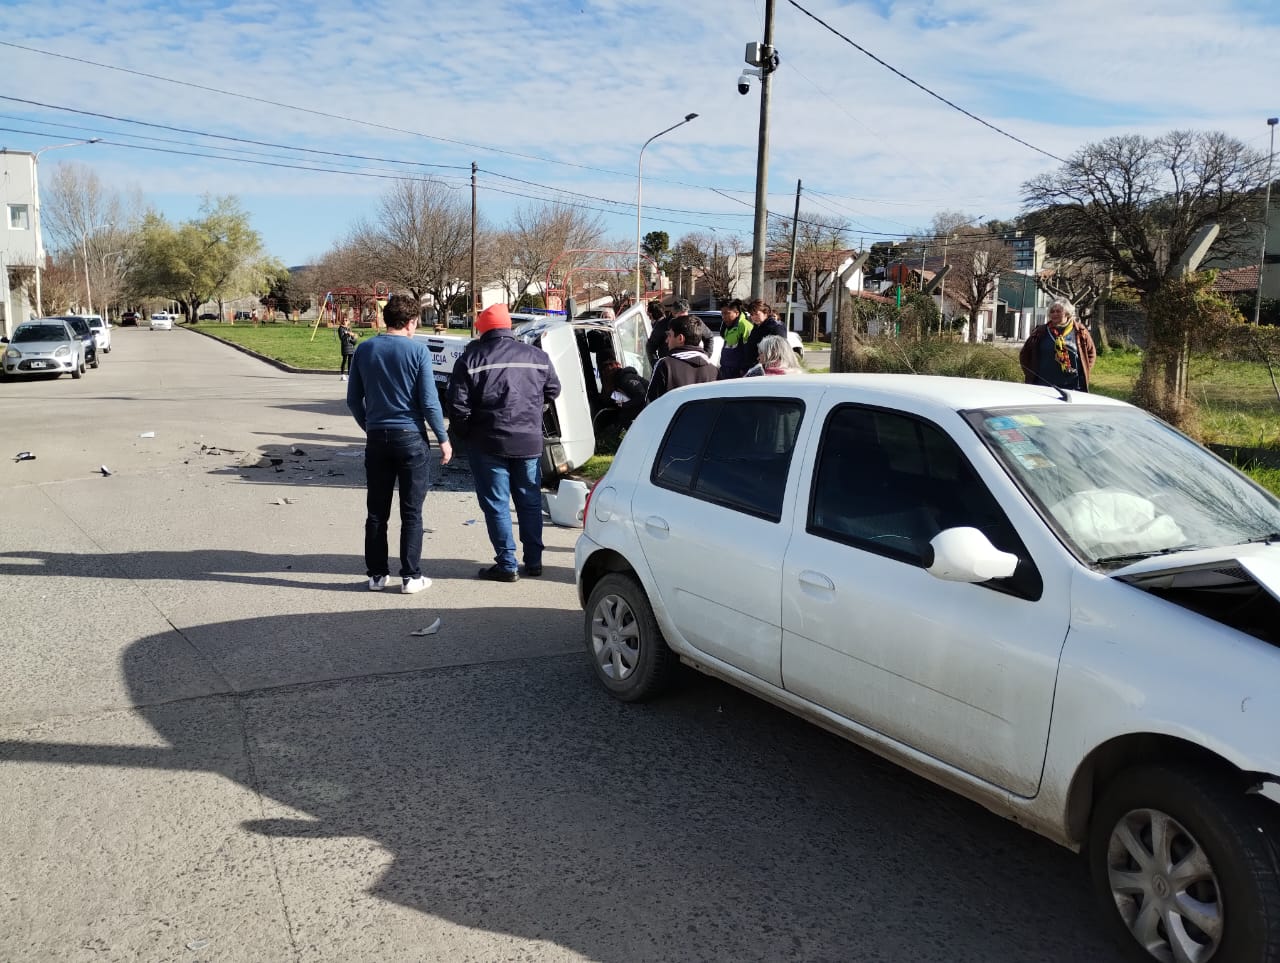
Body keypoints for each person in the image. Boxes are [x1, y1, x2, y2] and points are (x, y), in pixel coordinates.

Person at [346, 294, 453, 595]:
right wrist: (443, 439)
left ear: (384, 320)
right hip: (411, 438)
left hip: (377, 437)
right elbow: (430, 403)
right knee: (412, 511)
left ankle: (377, 575)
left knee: (377, 511)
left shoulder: (365, 349)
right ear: (412, 322)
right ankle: (411, 576)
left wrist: (369, 425)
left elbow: (353, 399)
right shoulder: (418, 352)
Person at [448, 303, 561, 583]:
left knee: (497, 504)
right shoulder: (537, 356)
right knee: (530, 501)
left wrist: (467, 434)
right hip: (529, 441)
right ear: (509, 327)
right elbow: (554, 390)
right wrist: (534, 408)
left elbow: (457, 407)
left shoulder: (471, 359)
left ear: (482, 330)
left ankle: (507, 564)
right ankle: (534, 561)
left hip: (488, 443)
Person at [1019, 297, 1096, 391]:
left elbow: (1091, 353)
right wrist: (1031, 374)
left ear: (1067, 313)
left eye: (1058, 311)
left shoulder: (1080, 331)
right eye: (1052, 311)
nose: (1054, 314)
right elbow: (1024, 355)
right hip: (1043, 385)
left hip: (1073, 386)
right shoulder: (1040, 332)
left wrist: (1084, 371)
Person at [645, 315, 719, 403]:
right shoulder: (714, 371)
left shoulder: (665, 365)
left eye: (669, 335)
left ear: (680, 338)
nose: (666, 340)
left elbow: (651, 406)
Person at [646, 297, 713, 364]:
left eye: (685, 316)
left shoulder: (694, 322)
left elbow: (709, 337)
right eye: (680, 317)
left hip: (691, 365)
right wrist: (656, 363)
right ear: (673, 313)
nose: (683, 319)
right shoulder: (662, 325)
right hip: (669, 366)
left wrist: (706, 356)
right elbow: (650, 346)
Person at [743, 298, 788, 369]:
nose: (753, 317)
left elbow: (780, 348)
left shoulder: (776, 326)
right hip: (753, 367)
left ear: (766, 313)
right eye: (751, 315)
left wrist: (766, 355)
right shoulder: (756, 327)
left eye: (756, 314)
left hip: (769, 369)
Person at [715, 299, 755, 379]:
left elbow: (749, 351)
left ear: (737, 313)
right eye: (722, 313)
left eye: (727, 313)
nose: (723, 316)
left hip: (738, 374)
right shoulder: (728, 327)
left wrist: (743, 370)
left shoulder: (745, 326)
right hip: (726, 371)